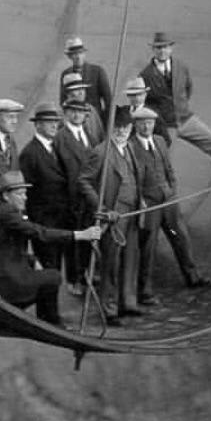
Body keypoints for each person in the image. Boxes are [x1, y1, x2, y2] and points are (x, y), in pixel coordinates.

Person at [0, 170, 102, 326]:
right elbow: (40, 233)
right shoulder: (7, 212)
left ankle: (46, 320)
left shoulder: (0, 209)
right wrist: (80, 235)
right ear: (6, 195)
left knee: (45, 275)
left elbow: (7, 245)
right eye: (20, 194)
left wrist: (33, 260)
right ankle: (50, 323)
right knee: (53, 276)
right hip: (0, 280)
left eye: (25, 193)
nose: (25, 198)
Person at [139, 32, 211, 193]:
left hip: (186, 119)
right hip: (166, 126)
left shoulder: (181, 67)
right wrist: (159, 124)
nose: (162, 51)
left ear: (171, 48)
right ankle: (160, 200)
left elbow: (188, 89)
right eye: (159, 48)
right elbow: (145, 105)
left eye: (165, 47)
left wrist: (181, 108)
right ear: (153, 50)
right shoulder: (145, 75)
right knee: (160, 161)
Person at [131, 106, 211, 302]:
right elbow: (131, 178)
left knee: (181, 238)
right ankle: (145, 291)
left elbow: (169, 169)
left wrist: (172, 191)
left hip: (168, 202)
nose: (146, 127)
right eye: (142, 123)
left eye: (150, 123)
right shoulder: (130, 147)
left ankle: (193, 277)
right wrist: (141, 201)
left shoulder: (160, 141)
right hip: (149, 205)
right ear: (136, 125)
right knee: (148, 248)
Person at [78, 105, 148, 324]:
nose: (121, 132)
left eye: (125, 127)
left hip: (133, 213)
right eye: (117, 128)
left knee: (130, 260)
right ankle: (108, 310)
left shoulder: (130, 149)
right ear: (111, 128)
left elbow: (135, 178)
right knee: (110, 263)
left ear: (131, 129)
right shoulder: (100, 152)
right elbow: (84, 181)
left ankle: (127, 303)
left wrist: (141, 200)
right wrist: (102, 209)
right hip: (112, 216)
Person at [17, 103, 76, 282]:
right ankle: (48, 310)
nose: (54, 126)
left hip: (63, 220)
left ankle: (53, 309)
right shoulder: (30, 153)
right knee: (49, 270)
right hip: (44, 224)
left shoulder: (57, 147)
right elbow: (25, 193)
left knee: (59, 269)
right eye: (48, 122)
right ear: (38, 125)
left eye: (56, 122)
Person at [55, 96, 97, 295]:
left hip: (88, 196)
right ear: (65, 113)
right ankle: (73, 280)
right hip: (70, 199)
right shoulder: (60, 138)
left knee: (88, 238)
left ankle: (86, 274)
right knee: (72, 242)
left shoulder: (88, 134)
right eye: (72, 111)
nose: (76, 114)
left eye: (80, 111)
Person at [58, 36, 112, 126]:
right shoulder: (66, 74)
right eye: (74, 54)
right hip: (74, 120)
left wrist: (106, 124)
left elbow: (108, 100)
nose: (78, 57)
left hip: (95, 120)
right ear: (69, 56)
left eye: (80, 53)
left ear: (84, 54)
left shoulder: (97, 71)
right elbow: (63, 100)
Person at [61, 70, 106, 144]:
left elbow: (101, 135)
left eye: (82, 89)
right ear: (68, 93)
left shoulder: (91, 109)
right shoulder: (62, 116)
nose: (81, 92)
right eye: (77, 89)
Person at [124, 77, 169, 144]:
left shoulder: (154, 113)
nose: (137, 98)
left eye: (140, 94)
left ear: (145, 94)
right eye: (133, 95)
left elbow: (165, 139)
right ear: (128, 96)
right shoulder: (122, 112)